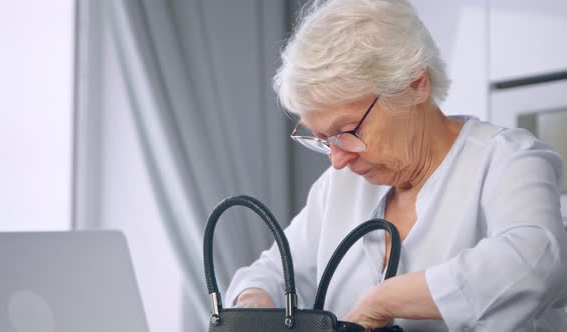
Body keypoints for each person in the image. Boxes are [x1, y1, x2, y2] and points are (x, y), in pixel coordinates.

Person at [224, 0, 567, 330]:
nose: (337, 160)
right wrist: (255, 305)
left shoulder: (507, 159)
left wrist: (385, 301)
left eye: (346, 131)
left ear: (415, 85)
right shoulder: (338, 187)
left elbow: (536, 260)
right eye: (322, 138)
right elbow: (272, 271)